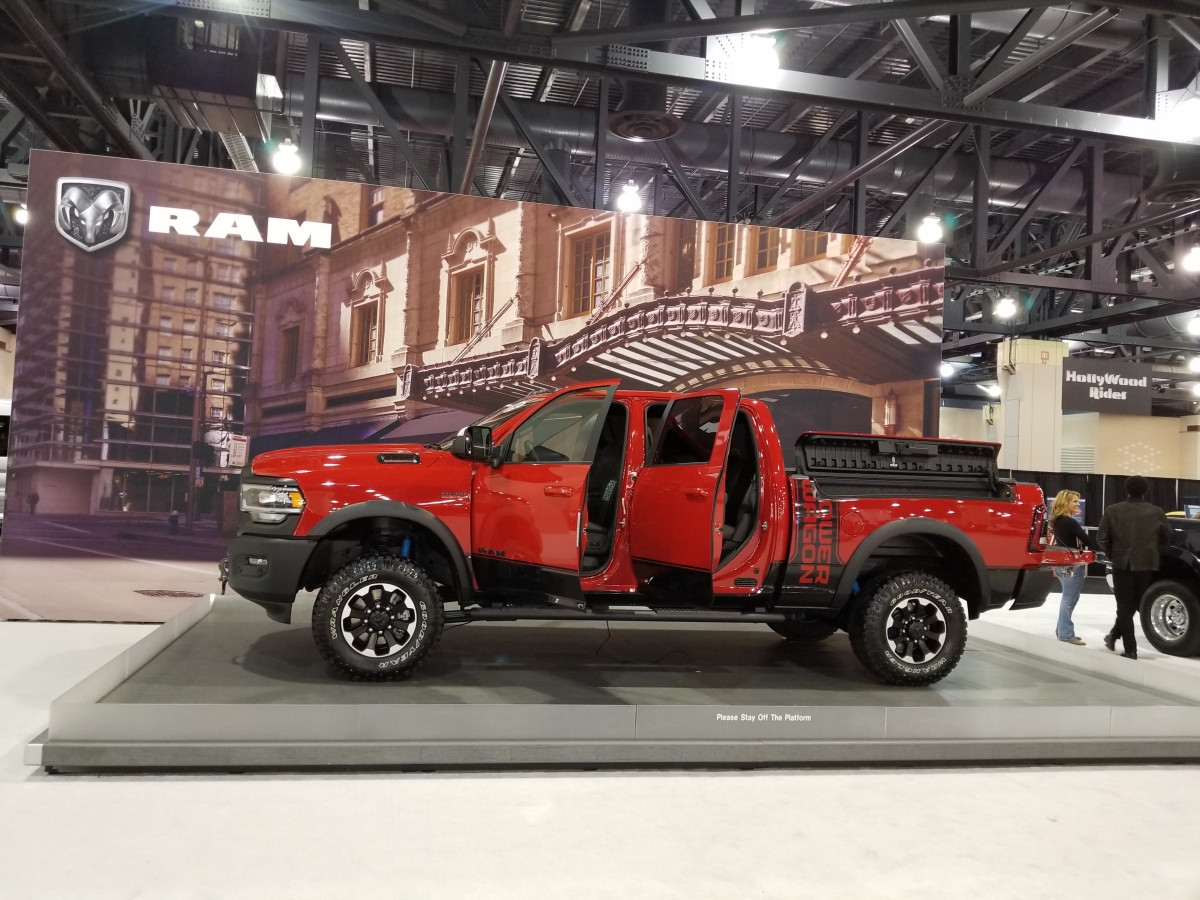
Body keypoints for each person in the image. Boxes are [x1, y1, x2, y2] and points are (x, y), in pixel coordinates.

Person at [1096, 475, 1172, 660]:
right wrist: (1154, 553)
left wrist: (1113, 555)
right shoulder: (1157, 512)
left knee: (1124, 607)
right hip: (1147, 563)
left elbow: (1101, 538)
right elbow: (1166, 539)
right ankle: (1114, 636)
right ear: (1146, 491)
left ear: (1126, 490)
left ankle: (1129, 648)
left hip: (1122, 563)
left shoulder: (1113, 510)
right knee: (1132, 605)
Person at [1049, 490, 1098, 646]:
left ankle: (1061, 630)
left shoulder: (1057, 520)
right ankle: (1066, 634)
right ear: (1066, 502)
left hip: (1060, 562)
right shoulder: (1069, 521)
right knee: (1069, 599)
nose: (1078, 504)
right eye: (1075, 501)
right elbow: (1086, 540)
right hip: (1071, 564)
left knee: (1069, 597)